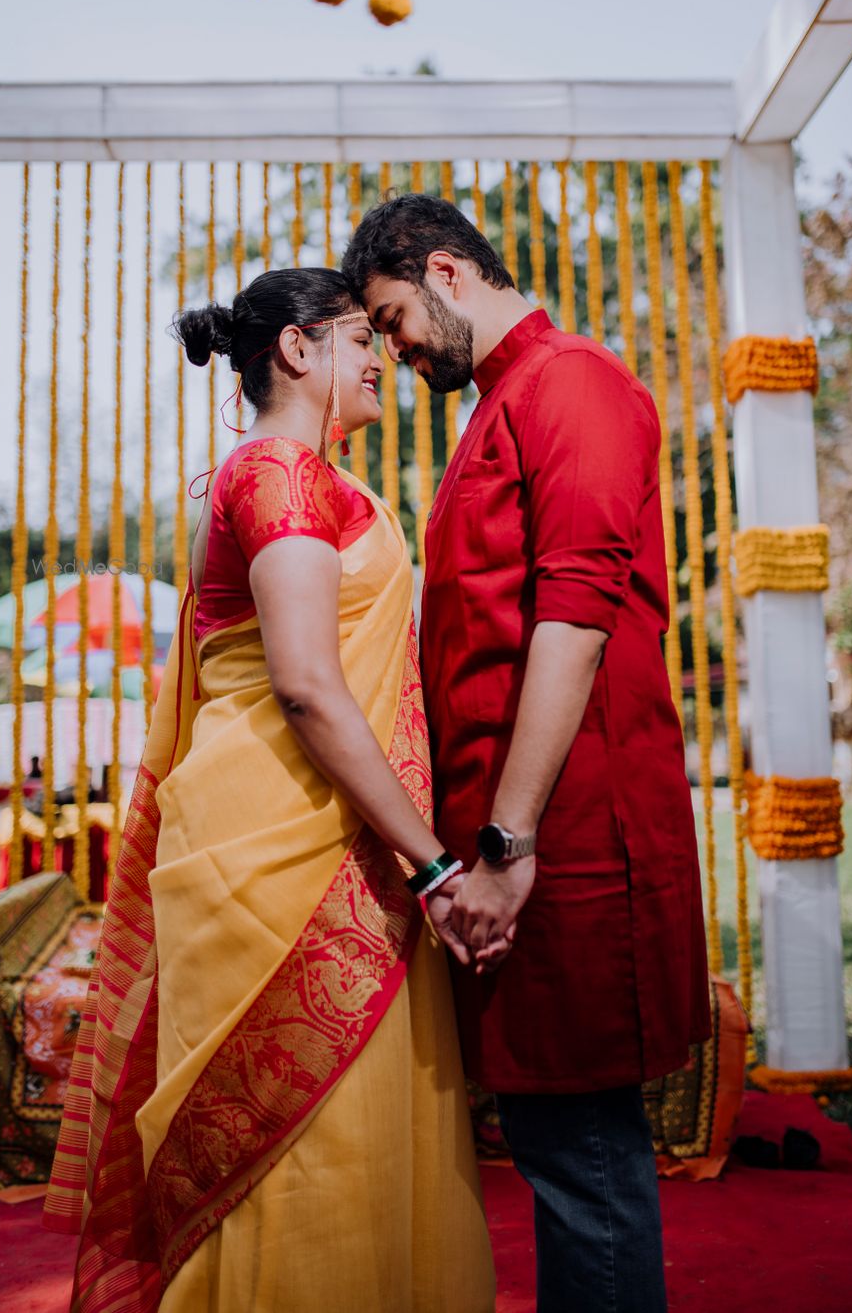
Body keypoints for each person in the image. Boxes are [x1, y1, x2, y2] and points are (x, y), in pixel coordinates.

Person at [44, 268, 496, 1313]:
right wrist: (430, 866)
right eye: (360, 339)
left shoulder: (301, 476)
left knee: (363, 1137)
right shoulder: (277, 476)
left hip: (338, 834)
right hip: (279, 851)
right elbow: (303, 685)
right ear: (298, 351)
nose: (383, 358)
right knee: (294, 1155)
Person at [343, 195, 712, 1313]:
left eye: (394, 319)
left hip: (568, 836)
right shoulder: (504, 400)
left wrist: (507, 840)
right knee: (556, 1144)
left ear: (446, 271)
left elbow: (573, 619)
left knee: (581, 1152)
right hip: (518, 836)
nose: (396, 352)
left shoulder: (572, 386)